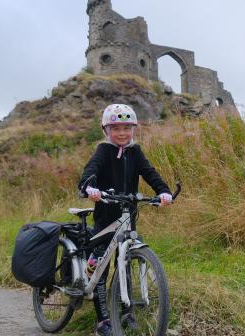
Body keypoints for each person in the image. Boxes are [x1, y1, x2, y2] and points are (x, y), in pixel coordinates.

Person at [78, 104, 173, 336]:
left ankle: (126, 311)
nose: (122, 133)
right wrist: (90, 188)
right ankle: (102, 321)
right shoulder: (103, 150)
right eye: (116, 128)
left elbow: (149, 172)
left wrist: (163, 191)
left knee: (127, 261)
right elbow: (91, 170)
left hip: (128, 216)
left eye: (127, 128)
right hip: (106, 216)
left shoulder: (135, 152)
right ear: (106, 130)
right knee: (101, 265)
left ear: (133, 129)